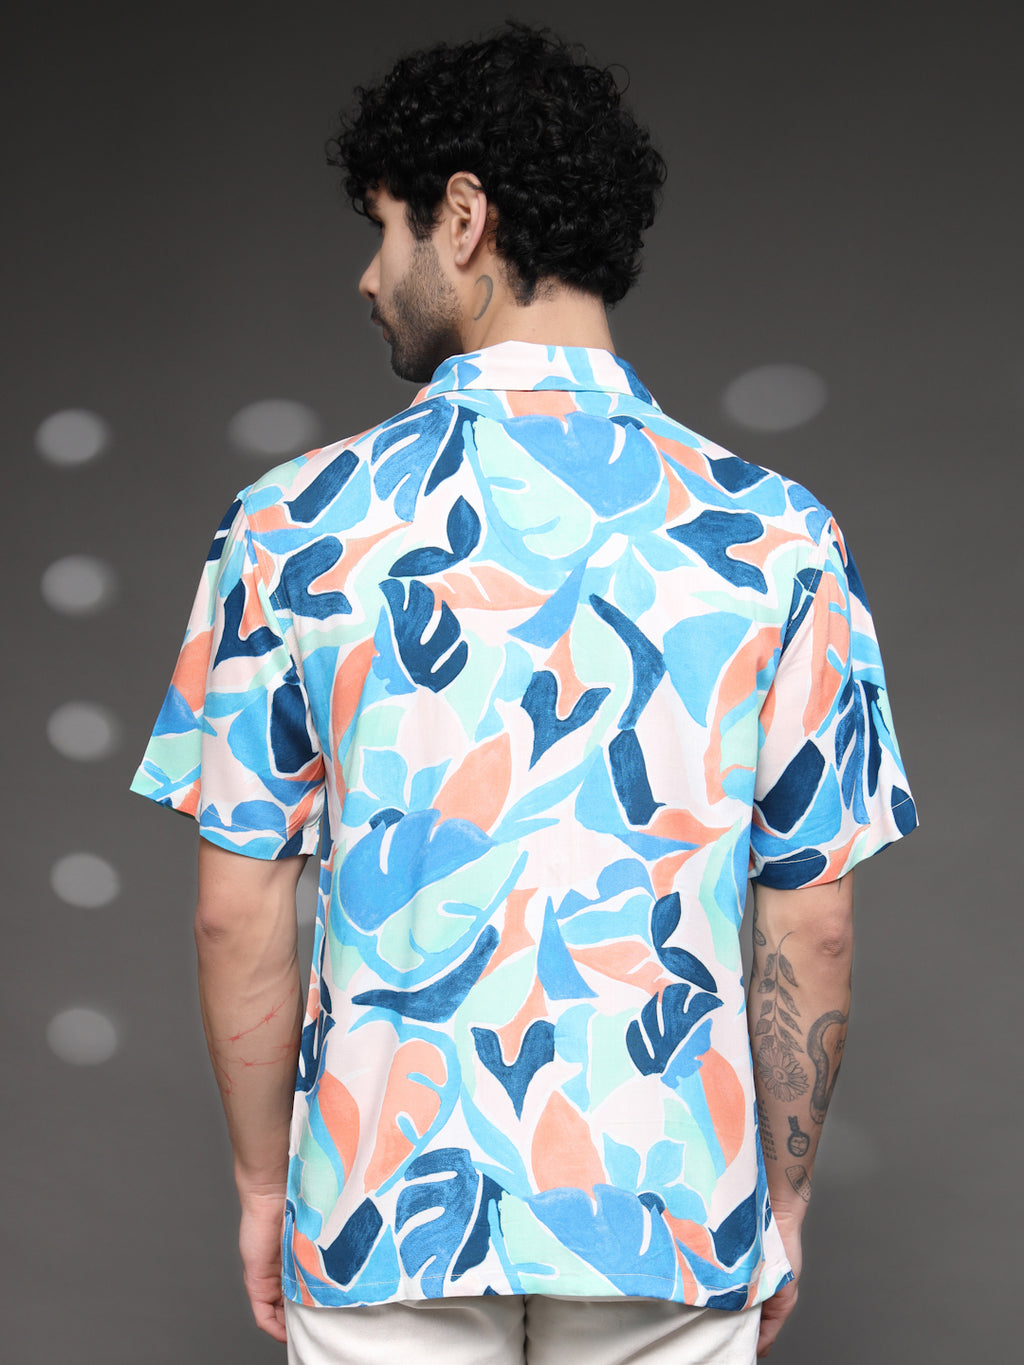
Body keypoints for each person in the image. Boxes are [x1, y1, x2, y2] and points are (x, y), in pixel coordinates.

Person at [131, 22, 917, 1364]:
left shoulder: (290, 526)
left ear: (464, 217)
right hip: (672, 1204)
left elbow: (236, 906)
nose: (367, 276)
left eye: (384, 229)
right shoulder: (780, 537)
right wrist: (777, 1199)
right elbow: (814, 921)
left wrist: (268, 1188)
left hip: (378, 1209)